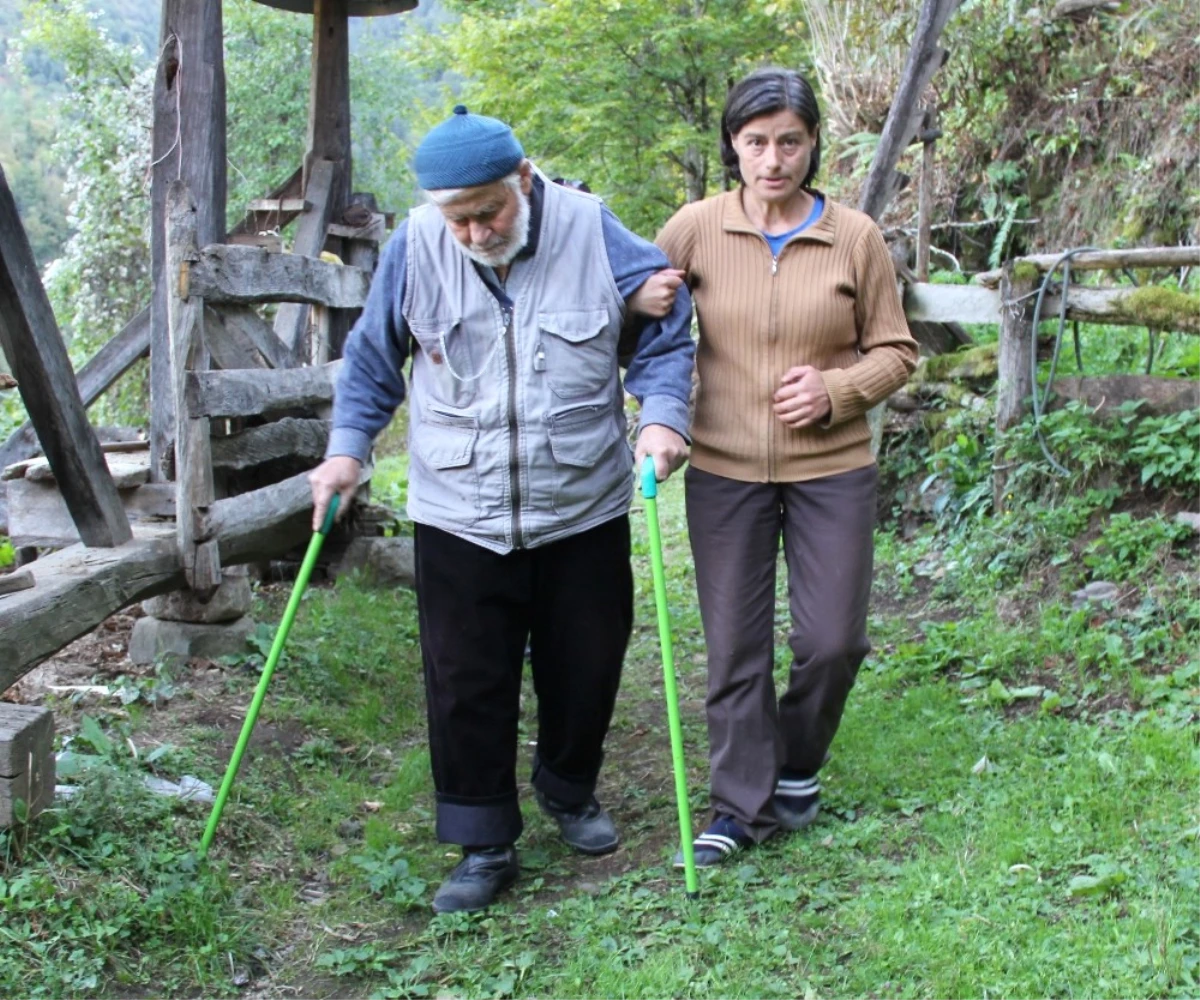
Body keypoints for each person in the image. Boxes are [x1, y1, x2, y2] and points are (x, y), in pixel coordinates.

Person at [308, 105, 694, 914]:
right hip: (459, 506)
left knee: (584, 664)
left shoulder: (591, 228)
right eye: (460, 220)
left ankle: (568, 788)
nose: (477, 233)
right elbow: (375, 359)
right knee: (465, 679)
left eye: (489, 212)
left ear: (524, 180)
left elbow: (668, 329)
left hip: (580, 500)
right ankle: (484, 840)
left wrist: (662, 414)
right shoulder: (416, 244)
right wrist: (348, 447)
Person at [652, 68, 919, 866]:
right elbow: (646, 313)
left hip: (831, 466)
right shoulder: (695, 227)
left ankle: (796, 762)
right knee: (735, 645)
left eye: (790, 141)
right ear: (733, 144)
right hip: (726, 468)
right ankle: (740, 807)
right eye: (756, 141)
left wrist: (838, 388)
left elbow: (897, 350)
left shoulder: (855, 236)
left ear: (812, 145)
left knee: (833, 640)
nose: (773, 159)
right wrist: (641, 309)